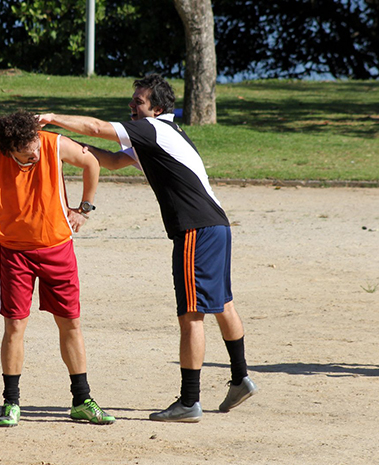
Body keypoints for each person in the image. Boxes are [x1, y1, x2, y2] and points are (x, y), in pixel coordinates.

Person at [39, 74, 258, 423]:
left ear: (156, 109)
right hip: (216, 225)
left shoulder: (152, 130)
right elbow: (110, 160)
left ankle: (189, 401)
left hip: (194, 229)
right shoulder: (162, 136)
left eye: (138, 102)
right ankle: (240, 376)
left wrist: (52, 119)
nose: (131, 106)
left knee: (191, 315)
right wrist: (59, 145)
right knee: (223, 303)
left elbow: (96, 128)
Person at [0, 110, 115, 427]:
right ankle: (11, 403)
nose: (36, 153)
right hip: (15, 253)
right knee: (14, 327)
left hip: (58, 249)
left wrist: (85, 209)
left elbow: (91, 162)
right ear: (9, 150)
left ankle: (82, 400)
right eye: (27, 153)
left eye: (36, 146)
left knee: (71, 324)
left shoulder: (52, 144)